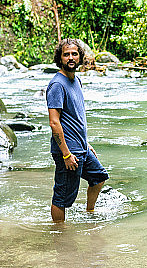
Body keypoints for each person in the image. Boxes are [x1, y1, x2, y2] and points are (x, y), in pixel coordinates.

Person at [46, 38, 109, 222]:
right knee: (62, 198)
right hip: (68, 151)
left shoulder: (76, 80)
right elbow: (54, 123)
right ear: (60, 58)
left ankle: (89, 213)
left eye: (74, 54)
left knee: (99, 177)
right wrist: (66, 154)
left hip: (81, 147)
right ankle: (59, 233)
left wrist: (85, 143)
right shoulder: (57, 85)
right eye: (66, 54)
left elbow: (75, 117)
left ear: (80, 57)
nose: (71, 58)